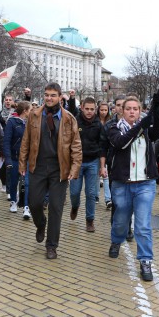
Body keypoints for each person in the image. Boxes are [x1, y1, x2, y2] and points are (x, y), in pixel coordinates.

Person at [19, 82, 82, 260]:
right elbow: (26, 141)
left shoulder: (69, 118)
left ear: (60, 97)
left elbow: (76, 146)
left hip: (59, 168)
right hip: (37, 166)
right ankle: (41, 224)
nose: (49, 98)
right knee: (34, 203)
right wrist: (22, 163)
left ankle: (51, 245)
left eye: (53, 95)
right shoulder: (34, 116)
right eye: (46, 95)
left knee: (56, 207)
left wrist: (75, 167)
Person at [107, 92, 159, 282]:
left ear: (140, 111)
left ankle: (145, 260)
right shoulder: (114, 128)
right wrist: (141, 125)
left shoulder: (147, 129)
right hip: (122, 184)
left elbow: (157, 131)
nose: (132, 112)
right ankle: (116, 240)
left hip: (145, 183)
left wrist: (156, 108)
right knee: (121, 221)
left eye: (136, 109)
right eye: (128, 109)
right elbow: (121, 143)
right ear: (122, 111)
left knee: (142, 224)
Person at [70, 97, 106, 232]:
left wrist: (102, 166)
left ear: (95, 109)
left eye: (92, 109)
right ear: (82, 108)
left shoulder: (98, 125)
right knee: (74, 192)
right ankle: (75, 206)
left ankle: (90, 220)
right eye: (87, 109)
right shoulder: (75, 122)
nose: (89, 112)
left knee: (91, 193)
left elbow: (102, 146)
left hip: (92, 162)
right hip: (77, 162)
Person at [3, 101, 32, 219]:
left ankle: (26, 207)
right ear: (25, 111)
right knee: (14, 181)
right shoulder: (11, 122)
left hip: (28, 158)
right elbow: (6, 141)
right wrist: (8, 159)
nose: (32, 112)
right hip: (15, 157)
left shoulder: (31, 122)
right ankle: (14, 201)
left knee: (27, 182)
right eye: (30, 110)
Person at [0, 93, 14, 194]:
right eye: (6, 100)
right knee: (2, 166)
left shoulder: (15, 113)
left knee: (10, 165)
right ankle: (3, 183)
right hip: (2, 143)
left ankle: (9, 187)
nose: (8, 101)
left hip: (13, 143)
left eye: (10, 100)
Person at [97, 101, 112, 208]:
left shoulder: (110, 122)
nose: (103, 112)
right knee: (96, 175)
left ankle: (108, 198)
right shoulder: (95, 121)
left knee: (105, 175)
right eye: (101, 110)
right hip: (95, 151)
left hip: (105, 151)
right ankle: (96, 195)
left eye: (105, 110)